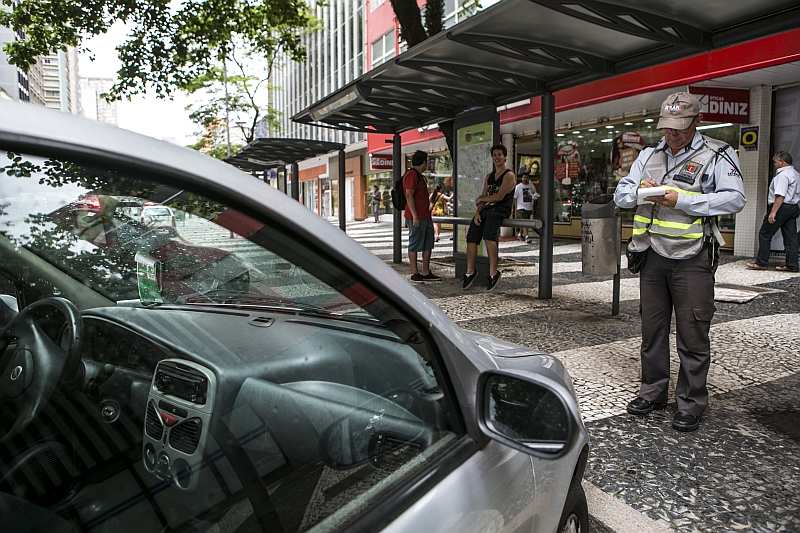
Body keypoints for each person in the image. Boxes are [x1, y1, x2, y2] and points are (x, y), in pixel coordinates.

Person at [613, 91, 746, 432]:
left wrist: (683, 199)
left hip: (692, 258)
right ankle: (653, 392)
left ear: (696, 122)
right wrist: (642, 191)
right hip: (653, 255)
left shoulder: (717, 153)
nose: (671, 134)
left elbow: (734, 199)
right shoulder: (649, 154)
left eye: (679, 128)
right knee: (652, 330)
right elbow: (622, 195)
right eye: (667, 127)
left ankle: (690, 402)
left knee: (693, 332)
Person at [463, 144, 516, 291]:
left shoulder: (509, 175)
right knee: (471, 238)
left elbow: (499, 197)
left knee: (489, 237)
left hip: (499, 210)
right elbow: (483, 197)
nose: (497, 157)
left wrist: (481, 199)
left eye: (500, 154)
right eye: (494, 155)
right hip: (487, 210)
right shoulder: (489, 176)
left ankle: (493, 273)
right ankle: (470, 272)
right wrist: (477, 212)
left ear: (505, 156)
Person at [746, 151, 800, 272]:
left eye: (775, 161)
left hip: (781, 207)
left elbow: (780, 195)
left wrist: (773, 212)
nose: (774, 163)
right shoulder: (796, 174)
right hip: (793, 207)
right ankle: (792, 265)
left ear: (782, 162)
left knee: (765, 234)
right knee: (791, 238)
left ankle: (761, 262)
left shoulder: (782, 175)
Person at [405, 150, 441, 283]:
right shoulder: (412, 175)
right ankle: (415, 272)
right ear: (424, 161)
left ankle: (425, 271)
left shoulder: (419, 176)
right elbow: (409, 195)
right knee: (414, 243)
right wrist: (415, 216)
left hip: (425, 215)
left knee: (428, 243)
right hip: (417, 216)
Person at [513, 172, 539, 243]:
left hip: (529, 207)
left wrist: (535, 197)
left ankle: (520, 234)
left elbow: (535, 194)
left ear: (529, 178)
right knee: (525, 221)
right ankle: (527, 236)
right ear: (522, 178)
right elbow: (514, 197)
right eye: (524, 177)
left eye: (526, 177)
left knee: (524, 222)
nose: (525, 179)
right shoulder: (518, 187)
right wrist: (512, 207)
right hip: (521, 207)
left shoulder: (531, 186)